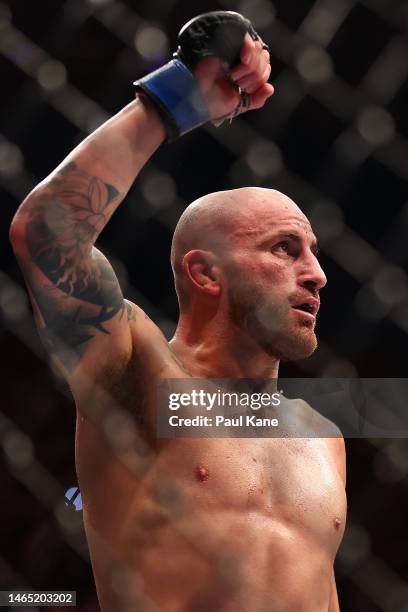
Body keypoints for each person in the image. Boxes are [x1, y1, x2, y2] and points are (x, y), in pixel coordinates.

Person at [10, 12, 346, 612]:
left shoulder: (323, 437)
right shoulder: (142, 377)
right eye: (284, 248)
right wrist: (173, 99)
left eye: (314, 254)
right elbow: (46, 236)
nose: (316, 273)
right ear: (204, 272)